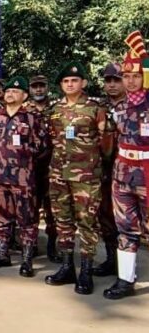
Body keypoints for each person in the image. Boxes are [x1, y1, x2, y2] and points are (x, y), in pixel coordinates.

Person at [44, 61, 111, 295]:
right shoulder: (53, 109)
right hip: (58, 174)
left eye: (74, 80)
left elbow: (106, 143)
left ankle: (86, 270)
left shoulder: (96, 108)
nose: (70, 84)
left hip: (86, 177)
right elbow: (49, 139)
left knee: (87, 223)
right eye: (66, 81)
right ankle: (66, 266)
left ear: (83, 83)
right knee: (63, 221)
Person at [0, 76, 46, 277]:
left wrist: (24, 159)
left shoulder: (32, 118)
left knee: (27, 219)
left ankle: (27, 259)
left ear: (24, 96)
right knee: (1, 217)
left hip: (23, 178)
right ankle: (3, 254)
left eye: (15, 91)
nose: (10, 94)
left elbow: (42, 147)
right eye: (8, 91)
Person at [103, 33, 149, 300]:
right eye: (125, 76)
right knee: (126, 229)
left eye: (135, 76)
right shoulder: (117, 108)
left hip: (147, 174)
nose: (130, 81)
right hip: (122, 176)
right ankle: (125, 279)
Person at [92, 63, 126, 277]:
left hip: (129, 172)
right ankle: (112, 260)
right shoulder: (98, 107)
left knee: (129, 220)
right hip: (103, 171)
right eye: (108, 80)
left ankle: (127, 265)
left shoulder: (136, 105)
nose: (112, 84)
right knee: (105, 216)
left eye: (116, 80)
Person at [27, 74, 58, 261]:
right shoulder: (23, 110)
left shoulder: (57, 109)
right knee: (30, 209)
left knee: (52, 209)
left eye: (41, 86)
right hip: (30, 167)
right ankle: (30, 246)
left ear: (47, 87)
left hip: (52, 167)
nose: (38, 90)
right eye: (34, 86)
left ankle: (52, 245)